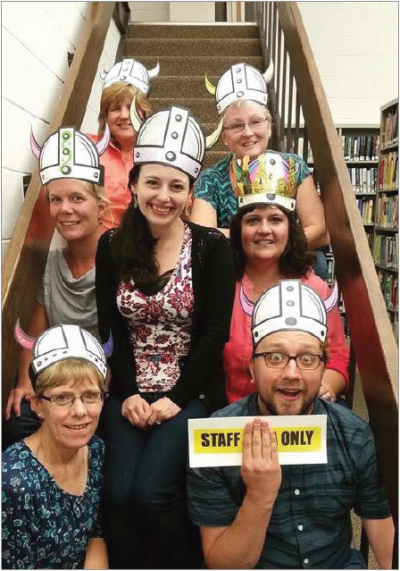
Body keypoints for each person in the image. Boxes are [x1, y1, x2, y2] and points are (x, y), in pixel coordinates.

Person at [95, 100, 235, 569]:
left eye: (177, 186)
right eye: (152, 182)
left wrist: (176, 396)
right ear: (133, 184)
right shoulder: (111, 246)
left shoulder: (212, 248)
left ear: (191, 193)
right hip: (130, 389)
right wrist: (130, 393)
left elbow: (215, 332)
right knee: (117, 496)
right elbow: (109, 328)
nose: (163, 195)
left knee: (153, 493)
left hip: (188, 389)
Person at [187, 280, 394, 570]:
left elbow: (387, 549)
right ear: (252, 367)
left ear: (324, 367)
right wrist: (259, 497)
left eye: (307, 358)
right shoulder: (214, 439)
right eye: (275, 357)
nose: (292, 373)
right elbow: (224, 565)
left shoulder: (355, 436)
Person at [3, 127, 110, 449]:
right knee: (17, 417)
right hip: (57, 385)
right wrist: (24, 382)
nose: (66, 209)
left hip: (101, 385)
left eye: (77, 198)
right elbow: (35, 335)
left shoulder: (118, 263)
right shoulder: (50, 264)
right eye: (56, 200)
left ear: (100, 207)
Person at [224, 151, 349, 404]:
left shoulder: (315, 289)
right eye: (253, 220)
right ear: (239, 231)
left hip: (301, 415)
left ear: (290, 230)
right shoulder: (223, 288)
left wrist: (326, 386)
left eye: (275, 219)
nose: (264, 229)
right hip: (234, 417)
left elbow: (337, 357)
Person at [190, 62, 328, 275]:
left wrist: (268, 247)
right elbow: (202, 235)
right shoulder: (211, 179)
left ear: (269, 127)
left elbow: (318, 230)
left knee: (317, 263)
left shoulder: (293, 166)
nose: (247, 132)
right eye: (236, 125)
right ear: (224, 137)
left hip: (285, 261)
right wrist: (259, 242)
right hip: (232, 267)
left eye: (255, 122)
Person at [2, 323, 110, 569]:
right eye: (62, 398)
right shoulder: (11, 485)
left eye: (90, 395)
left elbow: (95, 533)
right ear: (37, 405)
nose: (80, 411)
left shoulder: (95, 450)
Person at [89, 58, 158, 228]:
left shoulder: (162, 153)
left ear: (145, 112)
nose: (124, 115)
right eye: (115, 109)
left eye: (132, 107)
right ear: (105, 116)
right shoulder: (86, 149)